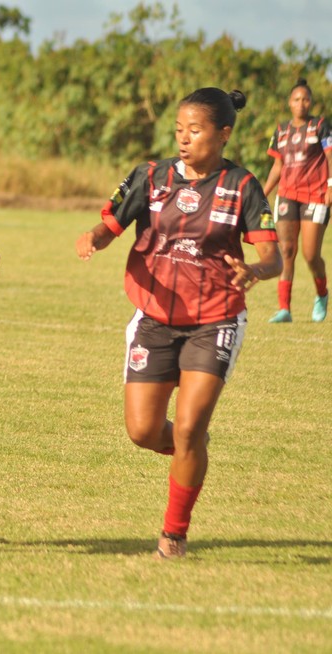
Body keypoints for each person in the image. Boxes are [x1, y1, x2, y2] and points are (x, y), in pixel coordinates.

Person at [76, 88, 281, 559]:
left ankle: (174, 533)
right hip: (155, 317)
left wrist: (255, 269)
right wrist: (92, 236)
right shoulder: (151, 176)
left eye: (196, 130)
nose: (184, 139)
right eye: (179, 131)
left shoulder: (242, 185)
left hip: (215, 319)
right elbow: (111, 226)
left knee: (188, 428)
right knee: (144, 431)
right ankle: (193, 454)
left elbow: (272, 256)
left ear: (223, 133)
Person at [260, 78, 332, 323]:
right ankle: (284, 310)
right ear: (289, 103)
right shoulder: (281, 130)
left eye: (306, 99)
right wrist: (263, 192)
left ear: (311, 102)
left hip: (316, 195)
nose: (302, 103)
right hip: (287, 195)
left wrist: (331, 184)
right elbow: (278, 166)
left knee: (311, 255)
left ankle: (321, 294)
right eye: (297, 99)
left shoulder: (320, 125)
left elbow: (330, 156)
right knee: (287, 250)